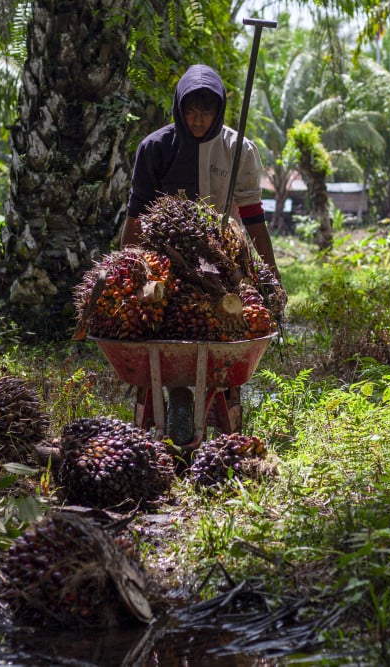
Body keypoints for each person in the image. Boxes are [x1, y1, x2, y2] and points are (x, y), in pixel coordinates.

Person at [121, 63, 281, 440]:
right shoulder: (156, 148)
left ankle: (225, 408)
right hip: (164, 260)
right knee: (157, 325)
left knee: (229, 326)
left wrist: (270, 274)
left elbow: (253, 217)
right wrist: (126, 266)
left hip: (223, 261)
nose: (197, 120)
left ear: (219, 110)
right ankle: (161, 400)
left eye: (206, 112)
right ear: (178, 107)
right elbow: (136, 214)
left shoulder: (238, 150)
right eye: (190, 111)